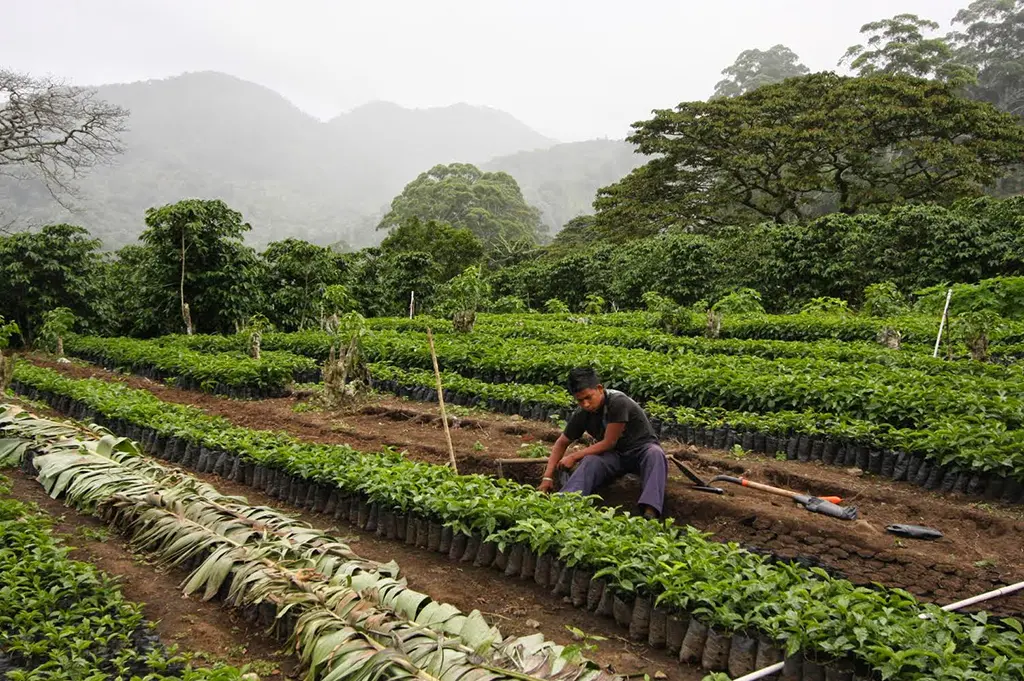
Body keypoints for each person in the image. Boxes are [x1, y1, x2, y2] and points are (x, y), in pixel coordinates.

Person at [538, 367, 668, 518]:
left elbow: (609, 442)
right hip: (615, 456)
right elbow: (561, 443)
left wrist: (573, 457)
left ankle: (650, 511)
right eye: (580, 400)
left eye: (588, 397)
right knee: (591, 460)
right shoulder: (582, 414)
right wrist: (547, 477)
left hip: (640, 449)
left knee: (656, 454)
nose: (585, 404)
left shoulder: (617, 402)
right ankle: (566, 504)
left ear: (599, 389)